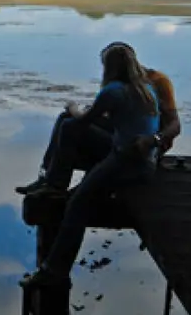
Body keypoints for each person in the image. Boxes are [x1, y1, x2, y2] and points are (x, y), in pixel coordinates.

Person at [20, 43, 163, 289]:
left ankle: (55, 271)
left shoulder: (113, 91)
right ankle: (52, 182)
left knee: (78, 203)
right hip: (145, 159)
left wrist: (73, 108)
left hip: (127, 162)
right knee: (68, 124)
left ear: (109, 67)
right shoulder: (146, 88)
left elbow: (83, 121)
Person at [15, 41, 180, 196]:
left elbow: (175, 125)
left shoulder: (158, 81)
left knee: (70, 126)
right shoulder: (123, 84)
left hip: (141, 148)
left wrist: (155, 140)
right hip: (123, 134)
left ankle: (55, 186)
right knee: (65, 117)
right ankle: (46, 177)